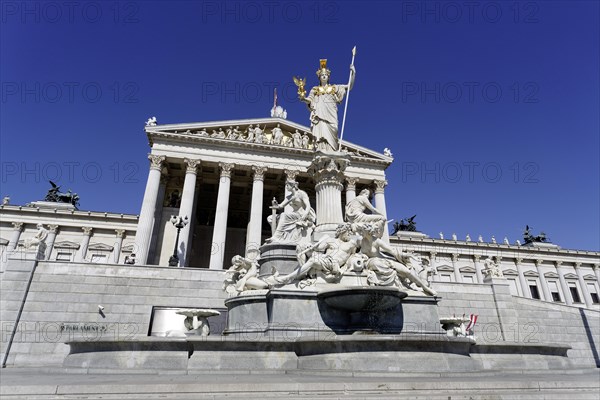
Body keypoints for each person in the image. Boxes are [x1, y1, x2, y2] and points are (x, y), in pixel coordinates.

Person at [357, 223, 437, 296]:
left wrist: (405, 254)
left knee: (407, 271)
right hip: (371, 262)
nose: (360, 232)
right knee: (375, 263)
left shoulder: (377, 241)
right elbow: (355, 251)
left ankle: (426, 288)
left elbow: (392, 251)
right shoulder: (360, 241)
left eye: (362, 231)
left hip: (385, 260)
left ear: (367, 231)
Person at [300, 59, 355, 152]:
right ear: (319, 77)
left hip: (331, 114)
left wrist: (353, 72)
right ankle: (322, 150)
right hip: (319, 115)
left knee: (334, 129)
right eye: (322, 75)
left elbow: (349, 86)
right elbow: (309, 100)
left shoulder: (334, 88)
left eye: (325, 75)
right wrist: (303, 98)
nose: (324, 76)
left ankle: (332, 150)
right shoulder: (315, 89)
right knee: (321, 134)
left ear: (328, 77)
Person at [279, 223, 359, 285]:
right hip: (324, 258)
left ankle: (288, 277)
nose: (350, 234)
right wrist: (310, 246)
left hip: (333, 263)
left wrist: (344, 268)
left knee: (313, 260)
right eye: (348, 232)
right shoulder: (330, 240)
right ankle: (302, 274)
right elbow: (318, 248)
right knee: (301, 246)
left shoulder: (351, 244)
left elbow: (353, 255)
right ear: (342, 232)